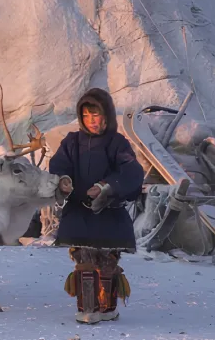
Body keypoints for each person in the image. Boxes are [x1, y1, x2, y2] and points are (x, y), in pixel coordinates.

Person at [49, 87, 144, 324]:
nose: (91, 121)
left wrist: (105, 186)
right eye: (86, 116)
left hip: (109, 215)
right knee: (85, 262)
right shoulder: (71, 142)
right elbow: (59, 165)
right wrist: (64, 181)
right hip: (79, 214)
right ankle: (87, 308)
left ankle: (107, 307)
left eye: (96, 115)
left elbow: (131, 171)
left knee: (106, 263)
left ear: (107, 116)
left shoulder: (117, 143)